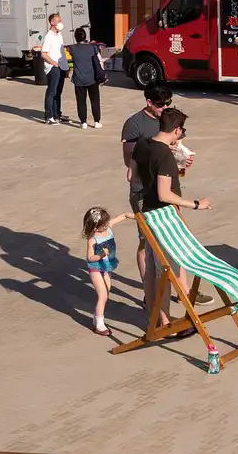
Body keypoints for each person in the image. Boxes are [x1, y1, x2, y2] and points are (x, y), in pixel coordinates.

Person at [133, 108, 214, 331]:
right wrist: (197, 204)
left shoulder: (143, 144)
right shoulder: (164, 155)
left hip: (146, 211)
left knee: (152, 268)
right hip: (163, 216)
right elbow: (164, 194)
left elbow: (132, 175)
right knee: (164, 270)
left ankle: (156, 318)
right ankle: (165, 323)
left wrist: (167, 169)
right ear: (176, 130)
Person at [81, 207, 134, 337]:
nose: (106, 225)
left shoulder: (107, 226)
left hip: (107, 267)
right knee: (103, 296)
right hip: (96, 268)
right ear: (95, 227)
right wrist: (101, 255)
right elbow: (90, 257)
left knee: (106, 294)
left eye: (106, 222)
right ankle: (99, 324)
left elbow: (123, 216)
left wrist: (132, 215)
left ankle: (96, 318)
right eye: (103, 224)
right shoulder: (92, 239)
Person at [37, 13, 70, 125]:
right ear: (52, 23)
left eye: (61, 21)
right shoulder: (49, 36)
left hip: (61, 67)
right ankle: (48, 116)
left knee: (58, 92)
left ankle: (57, 115)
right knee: (51, 92)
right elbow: (44, 54)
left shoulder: (59, 35)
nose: (60, 23)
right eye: (58, 21)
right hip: (53, 67)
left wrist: (65, 67)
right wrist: (54, 64)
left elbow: (62, 52)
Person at [69, 28, 105, 129]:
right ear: (85, 36)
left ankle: (83, 122)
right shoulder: (92, 47)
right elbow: (99, 61)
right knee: (95, 101)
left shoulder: (72, 48)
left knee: (81, 101)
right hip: (92, 78)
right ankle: (97, 121)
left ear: (75, 37)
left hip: (79, 80)